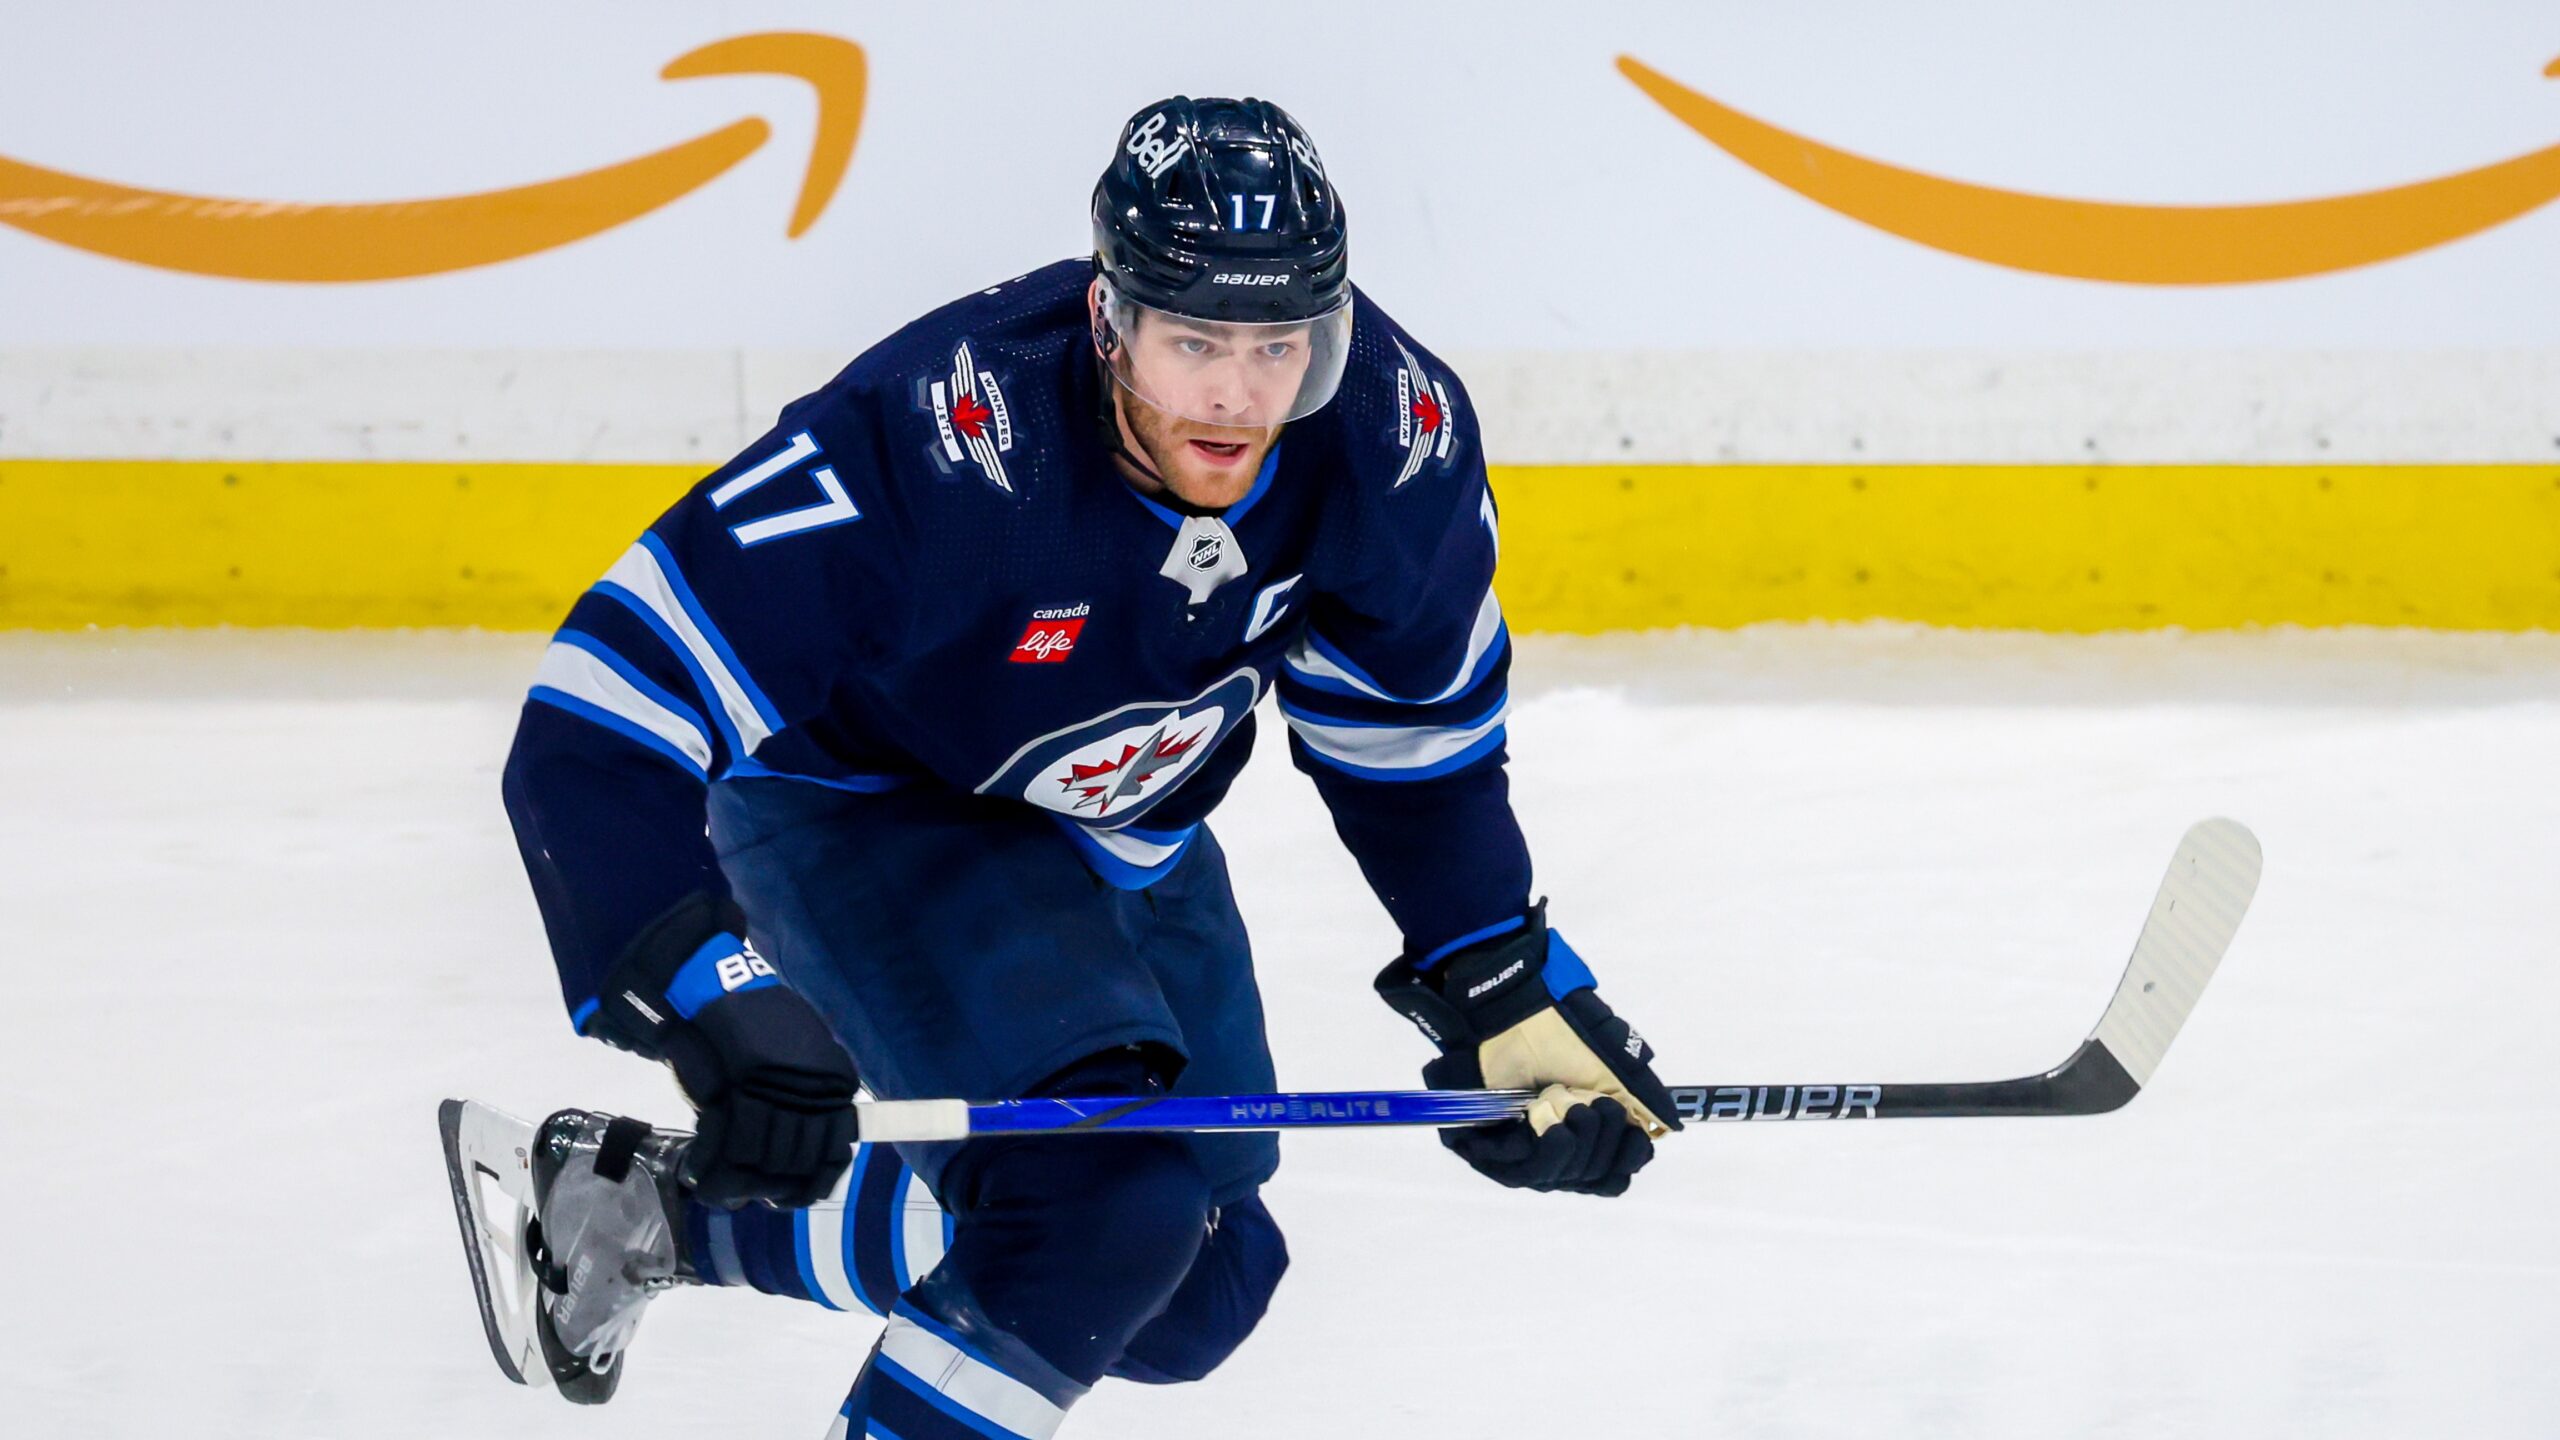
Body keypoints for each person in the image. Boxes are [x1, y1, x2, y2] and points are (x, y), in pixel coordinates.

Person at [440, 95, 1680, 1438]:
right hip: (869, 806)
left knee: (1194, 1275)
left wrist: (1495, 971)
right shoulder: (936, 441)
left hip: (1126, 824)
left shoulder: (1388, 432)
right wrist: (708, 989)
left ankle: (649, 1214)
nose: (1237, 392)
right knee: (1105, 1209)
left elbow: (1412, 744)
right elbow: (593, 722)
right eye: (1195, 337)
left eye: (1279, 347)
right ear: (1109, 320)